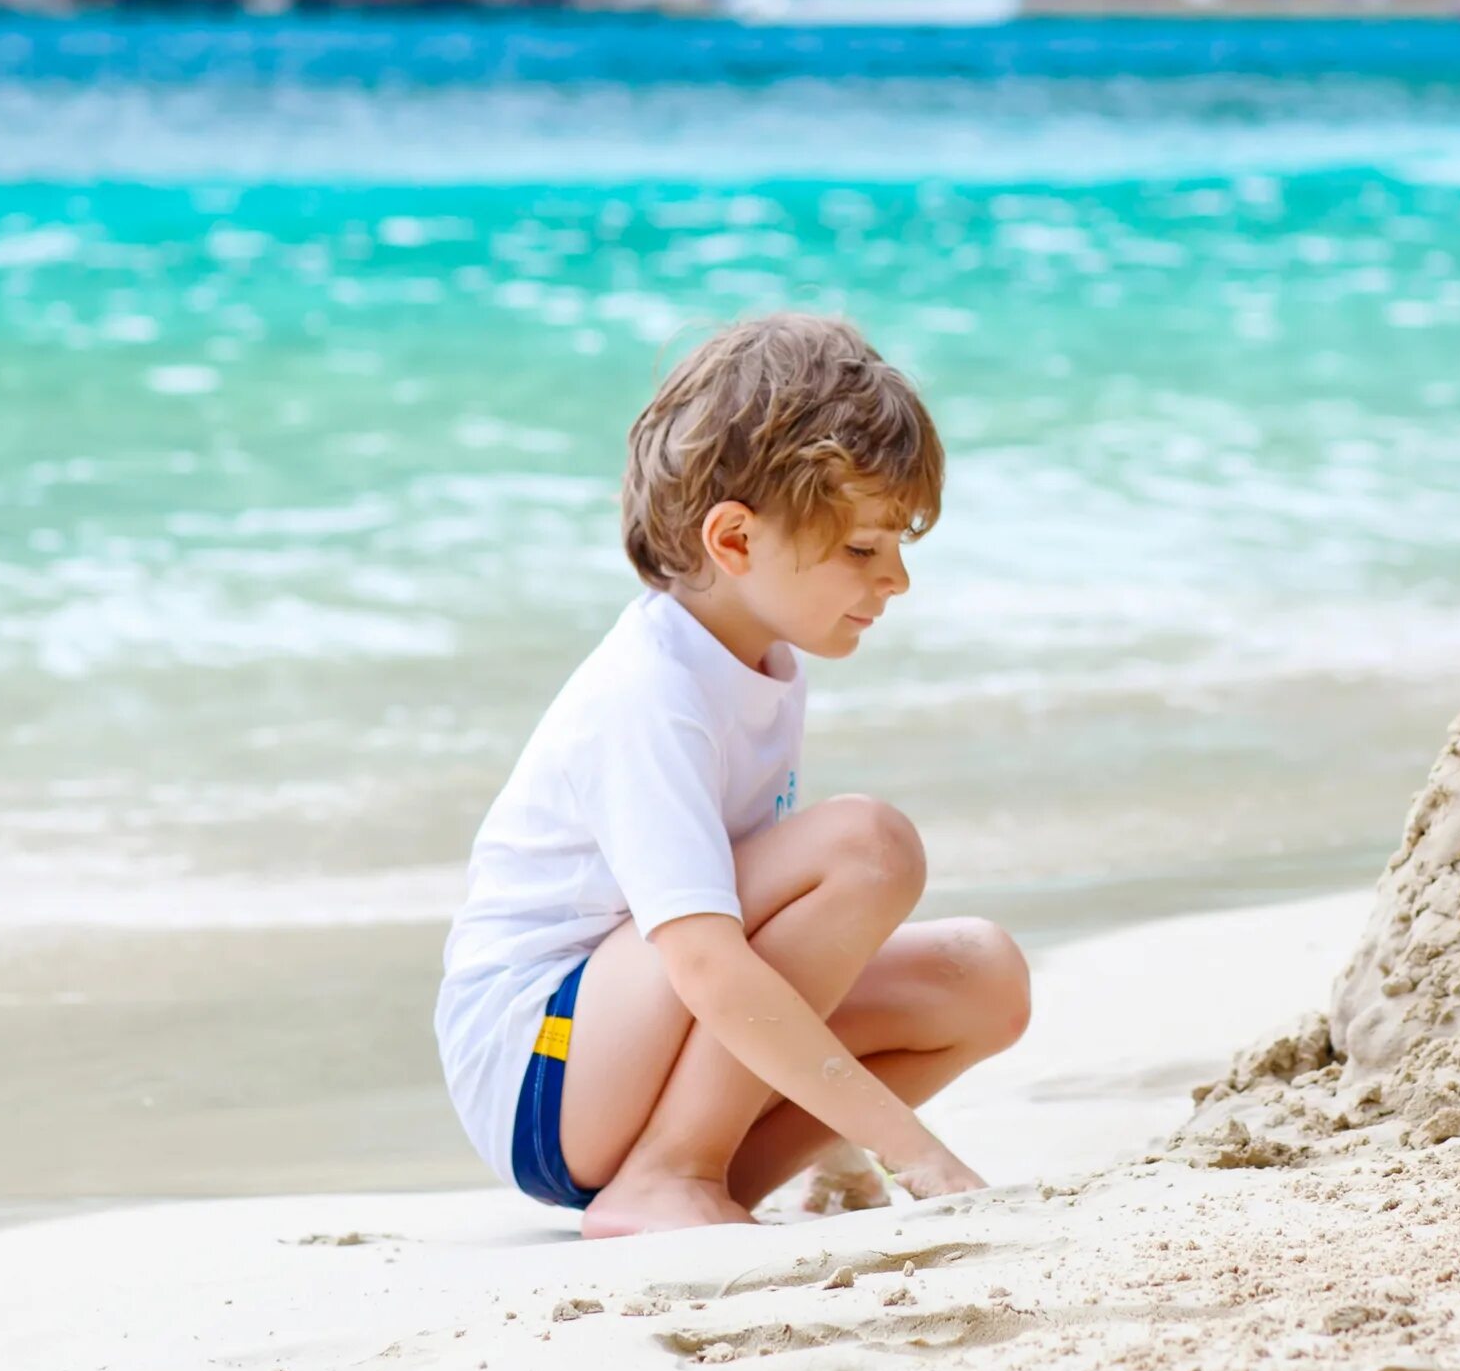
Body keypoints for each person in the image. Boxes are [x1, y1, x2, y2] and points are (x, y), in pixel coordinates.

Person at [435, 314, 1030, 1235]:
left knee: (981, 979)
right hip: (540, 1069)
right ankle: (670, 1172)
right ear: (735, 540)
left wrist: (839, 1149)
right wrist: (917, 1153)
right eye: (862, 549)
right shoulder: (653, 690)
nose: (898, 579)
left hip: (626, 1047)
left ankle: (691, 1174)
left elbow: (772, 935)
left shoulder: (758, 662)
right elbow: (710, 960)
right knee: (865, 846)